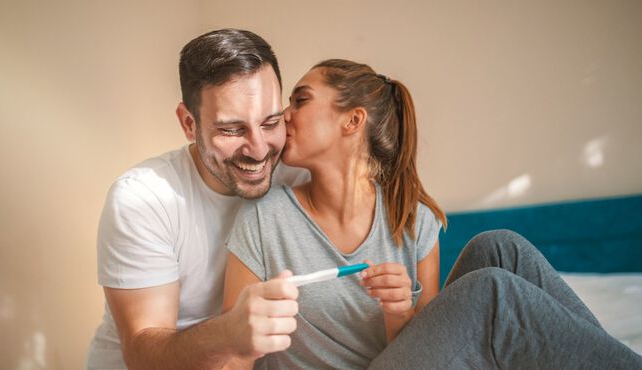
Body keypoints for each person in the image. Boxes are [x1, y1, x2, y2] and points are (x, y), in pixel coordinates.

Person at [223, 59, 642, 369]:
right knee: (491, 292)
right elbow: (234, 350)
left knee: (498, 248)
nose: (283, 116)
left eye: (301, 100)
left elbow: (434, 352)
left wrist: (399, 312)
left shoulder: (411, 218)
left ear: (352, 121)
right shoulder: (263, 217)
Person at [85, 29, 307, 370]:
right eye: (232, 130)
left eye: (270, 122)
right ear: (189, 124)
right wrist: (228, 333)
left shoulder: (296, 177)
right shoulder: (142, 199)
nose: (259, 149)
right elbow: (142, 356)